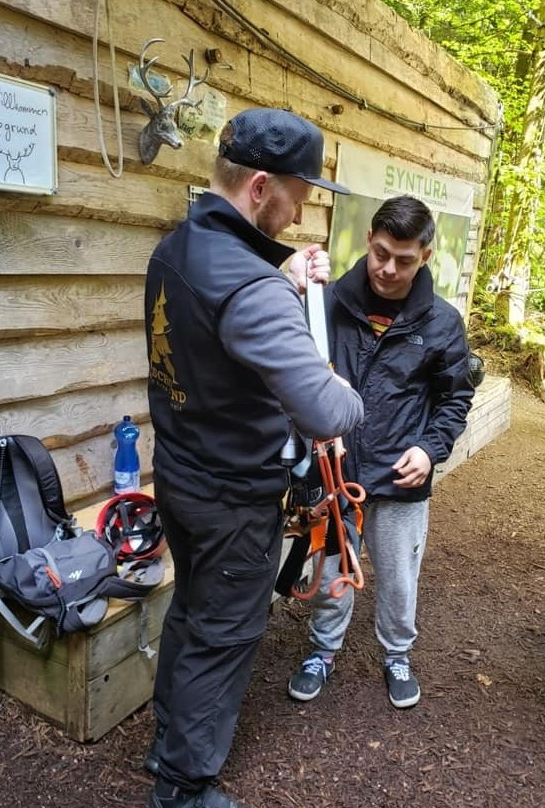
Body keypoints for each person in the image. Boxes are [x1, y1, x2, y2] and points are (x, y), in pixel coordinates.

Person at [142, 107, 364, 808]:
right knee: (226, 631)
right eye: (300, 193)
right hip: (232, 497)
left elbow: (219, 329)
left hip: (179, 470)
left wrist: (285, 274)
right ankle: (182, 787)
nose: (303, 210)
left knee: (193, 610)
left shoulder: (176, 249)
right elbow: (325, 413)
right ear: (261, 186)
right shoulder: (251, 287)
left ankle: (168, 739)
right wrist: (345, 392)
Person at [286, 195, 475, 710]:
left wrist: (430, 449)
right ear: (369, 241)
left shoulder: (442, 323)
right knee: (329, 571)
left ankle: (397, 654)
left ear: (426, 257)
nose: (389, 269)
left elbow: (455, 398)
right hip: (335, 470)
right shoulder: (325, 305)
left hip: (400, 475)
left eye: (405, 259)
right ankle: (322, 650)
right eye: (382, 254)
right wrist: (292, 278)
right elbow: (292, 368)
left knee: (398, 576)